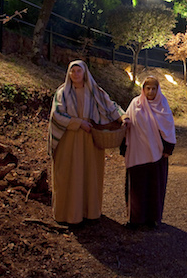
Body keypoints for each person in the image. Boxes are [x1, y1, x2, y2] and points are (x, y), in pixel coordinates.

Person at [48, 60, 124, 225]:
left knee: (89, 173)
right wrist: (78, 123)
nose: (75, 74)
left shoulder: (94, 91)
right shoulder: (62, 93)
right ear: (69, 74)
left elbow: (110, 106)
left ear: (84, 73)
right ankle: (67, 214)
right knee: (69, 174)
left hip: (90, 140)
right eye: (72, 71)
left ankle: (89, 212)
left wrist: (123, 118)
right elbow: (57, 114)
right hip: (68, 140)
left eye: (78, 71)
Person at [123, 76, 176, 229]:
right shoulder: (135, 104)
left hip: (157, 154)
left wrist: (168, 149)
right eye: (148, 88)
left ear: (158, 89)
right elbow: (126, 125)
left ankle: (153, 218)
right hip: (137, 153)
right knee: (137, 187)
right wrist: (123, 147)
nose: (151, 91)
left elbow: (168, 128)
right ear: (143, 89)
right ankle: (135, 219)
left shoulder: (163, 105)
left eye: (154, 88)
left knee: (154, 187)